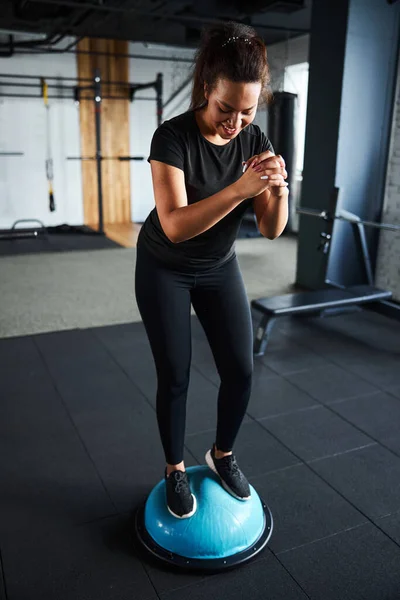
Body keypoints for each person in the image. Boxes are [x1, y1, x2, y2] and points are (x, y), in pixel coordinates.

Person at [135, 21, 288, 519]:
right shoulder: (172, 138)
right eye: (226, 109)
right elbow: (175, 225)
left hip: (219, 266)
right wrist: (242, 190)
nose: (235, 123)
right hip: (166, 266)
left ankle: (221, 454)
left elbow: (270, 229)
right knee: (175, 374)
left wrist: (279, 191)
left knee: (241, 371)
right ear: (207, 89)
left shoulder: (254, 136)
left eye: (247, 111)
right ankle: (175, 468)